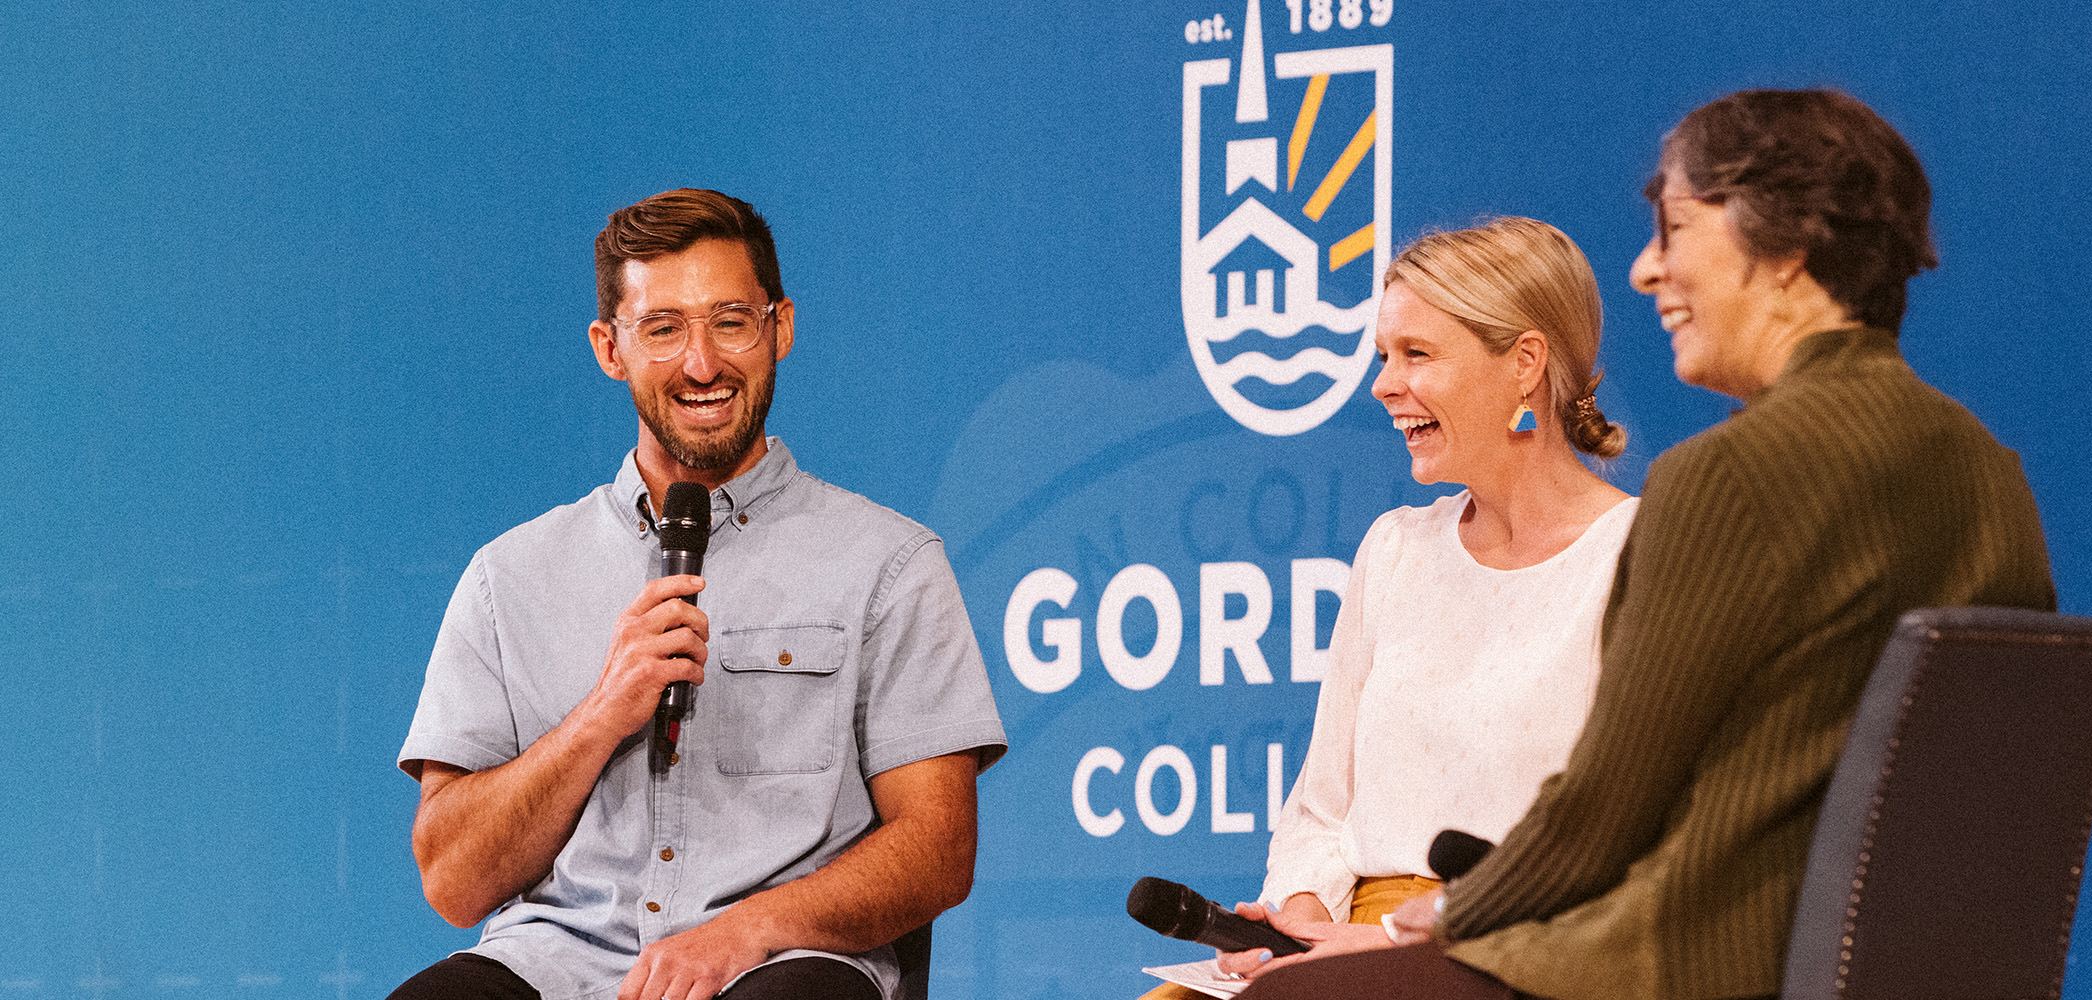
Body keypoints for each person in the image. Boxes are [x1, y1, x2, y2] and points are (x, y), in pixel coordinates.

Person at [1236, 89, 2057, 1000]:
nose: (1643, 271)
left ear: (1783, 251)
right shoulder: (1991, 473)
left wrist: (1430, 925)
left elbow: (1602, 813)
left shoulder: (1729, 475)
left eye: (1672, 230)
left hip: (1686, 967)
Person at [390, 189, 1006, 1000]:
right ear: (610, 348)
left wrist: (743, 933)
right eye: (664, 328)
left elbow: (937, 850)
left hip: (779, 968)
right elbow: (453, 882)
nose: (702, 363)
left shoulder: (890, 563)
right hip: (554, 969)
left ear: (780, 327)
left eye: (730, 321)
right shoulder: (508, 577)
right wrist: (602, 714)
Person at [1149, 218, 1639, 998]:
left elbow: (1616, 847)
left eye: (1417, 354)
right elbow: (1319, 810)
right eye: (1384, 355)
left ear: (1524, 363)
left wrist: (1376, 944)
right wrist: (1302, 926)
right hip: (1356, 954)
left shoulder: (1636, 556)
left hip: (1511, 961)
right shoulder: (1396, 549)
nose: (1382, 384)